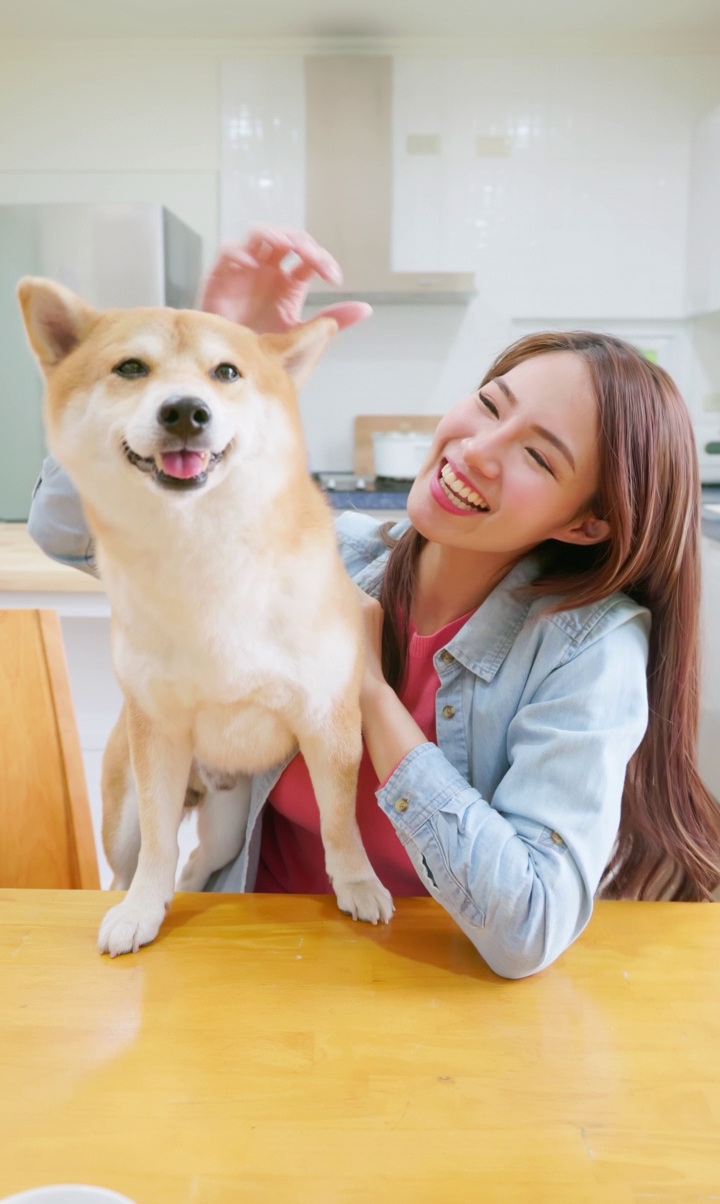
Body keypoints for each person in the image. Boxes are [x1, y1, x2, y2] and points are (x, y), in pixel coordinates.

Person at [27, 226, 720, 980]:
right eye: (490, 405)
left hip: (431, 993)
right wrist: (203, 360)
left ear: (587, 522)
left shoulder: (586, 650)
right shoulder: (336, 552)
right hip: (238, 955)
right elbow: (69, 532)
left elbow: (528, 927)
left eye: (536, 454)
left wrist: (365, 686)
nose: (476, 449)